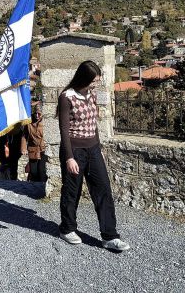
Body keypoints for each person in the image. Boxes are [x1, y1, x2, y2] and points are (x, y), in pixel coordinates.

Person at [57, 60, 130, 252]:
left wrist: (97, 148)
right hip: (74, 151)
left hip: (93, 149)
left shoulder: (91, 94)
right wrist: (69, 157)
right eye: (93, 81)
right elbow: (64, 131)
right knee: (72, 190)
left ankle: (110, 236)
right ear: (84, 78)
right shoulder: (66, 97)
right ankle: (67, 228)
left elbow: (93, 124)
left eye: (97, 81)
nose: (95, 84)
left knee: (103, 188)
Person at [22, 104, 48, 182]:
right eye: (35, 113)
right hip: (33, 150)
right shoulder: (29, 123)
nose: (37, 115)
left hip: (43, 150)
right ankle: (34, 187)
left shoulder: (45, 123)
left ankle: (41, 187)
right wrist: (23, 148)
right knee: (33, 171)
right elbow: (24, 136)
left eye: (39, 114)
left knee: (42, 171)